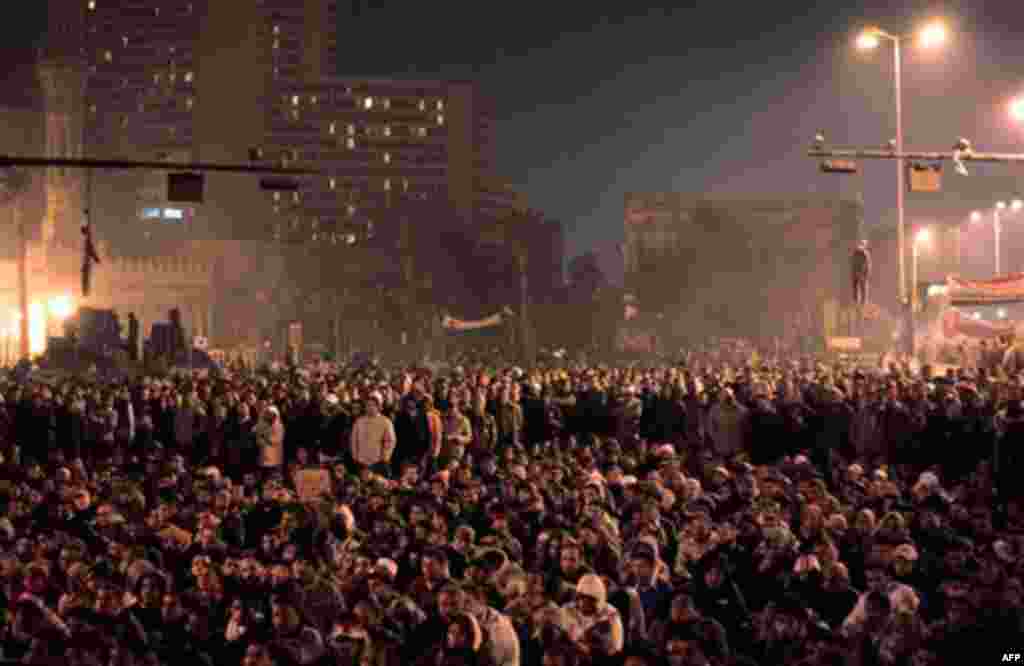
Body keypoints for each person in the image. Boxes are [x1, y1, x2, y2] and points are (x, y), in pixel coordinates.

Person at [852, 239, 872, 308]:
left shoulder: (863, 253)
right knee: (859, 289)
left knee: (861, 288)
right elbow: (867, 265)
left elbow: (867, 265)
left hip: (860, 274)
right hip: (859, 274)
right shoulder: (860, 253)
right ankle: (858, 302)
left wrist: (865, 274)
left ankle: (861, 303)